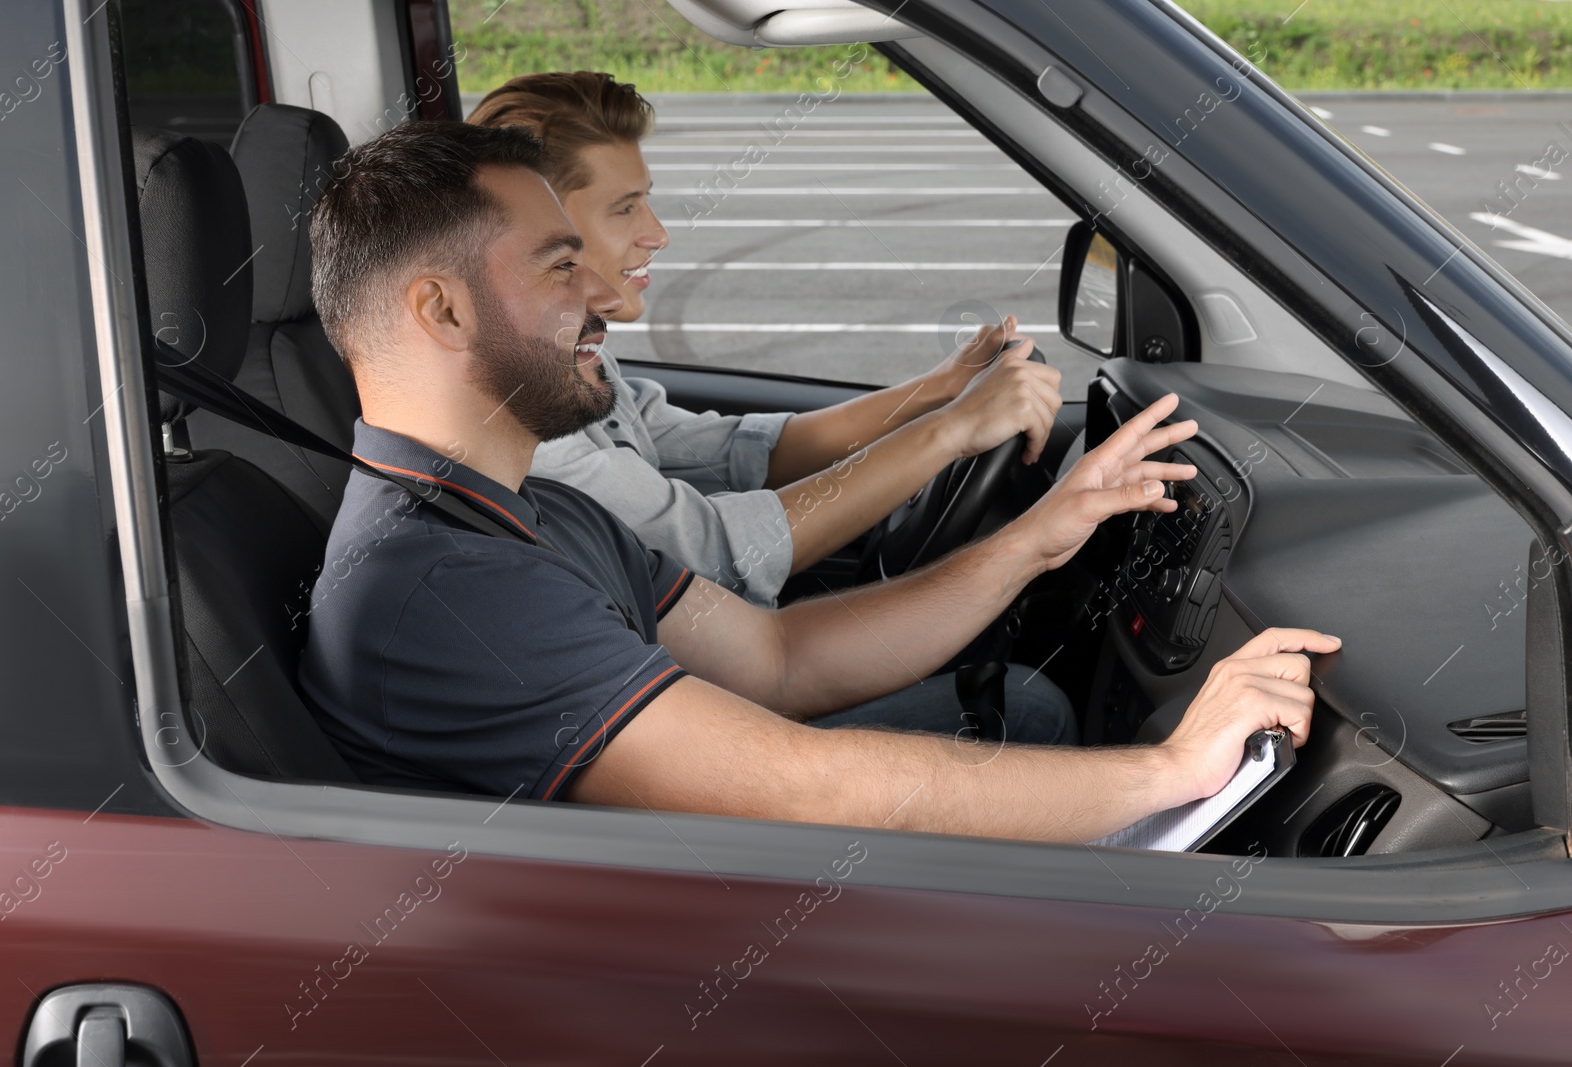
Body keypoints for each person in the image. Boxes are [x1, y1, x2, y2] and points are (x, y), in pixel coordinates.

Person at [298, 120, 1338, 844]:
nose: (604, 299)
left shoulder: (537, 508)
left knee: (1024, 709)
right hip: (646, 950)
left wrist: (1040, 534)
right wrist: (1173, 767)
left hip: (674, 876)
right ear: (442, 311)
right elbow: (805, 787)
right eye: (560, 267)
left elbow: (779, 657)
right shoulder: (438, 583)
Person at [466, 72, 1061, 608]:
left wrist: (941, 389)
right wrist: (952, 432)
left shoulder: (577, 353)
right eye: (624, 209)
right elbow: (719, 553)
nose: (659, 233)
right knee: (1037, 714)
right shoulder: (524, 417)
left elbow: (730, 453)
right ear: (538, 232)